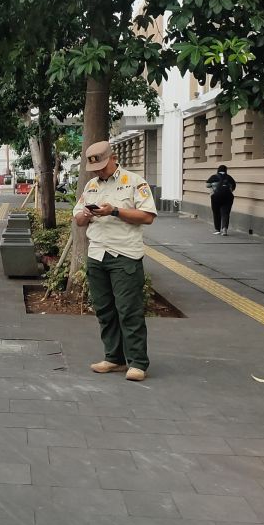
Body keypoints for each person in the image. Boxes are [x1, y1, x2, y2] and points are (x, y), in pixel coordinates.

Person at [73, 141, 158, 382]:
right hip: (97, 254)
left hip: (124, 255)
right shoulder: (91, 186)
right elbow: (78, 220)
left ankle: (138, 362)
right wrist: (86, 214)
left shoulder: (133, 182)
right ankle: (114, 357)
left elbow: (148, 216)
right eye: (95, 168)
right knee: (104, 309)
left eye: (101, 166)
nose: (99, 172)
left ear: (114, 157)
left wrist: (115, 211)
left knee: (128, 310)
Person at [206, 164, 236, 235]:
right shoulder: (229, 177)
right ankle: (224, 228)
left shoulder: (214, 177)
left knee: (216, 212)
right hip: (228, 197)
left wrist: (213, 187)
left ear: (218, 170)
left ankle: (217, 229)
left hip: (216, 197)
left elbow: (207, 185)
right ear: (226, 170)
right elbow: (234, 186)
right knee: (226, 213)